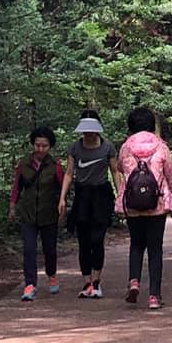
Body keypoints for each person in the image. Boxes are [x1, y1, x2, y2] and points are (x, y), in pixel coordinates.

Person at [115, 105, 172, 311]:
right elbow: (171, 175)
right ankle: (154, 296)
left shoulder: (126, 147)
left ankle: (134, 281)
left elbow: (119, 169)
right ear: (152, 125)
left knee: (136, 245)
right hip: (157, 204)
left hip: (133, 205)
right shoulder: (161, 146)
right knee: (155, 249)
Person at [57, 113, 116, 298]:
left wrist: (121, 195)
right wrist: (62, 198)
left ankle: (97, 281)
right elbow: (69, 172)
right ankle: (87, 282)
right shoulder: (75, 148)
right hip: (82, 196)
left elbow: (115, 171)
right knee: (83, 241)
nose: (89, 135)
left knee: (97, 240)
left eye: (92, 131)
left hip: (101, 195)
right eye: (85, 131)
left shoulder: (107, 147)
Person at [8, 126, 65, 300]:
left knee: (50, 249)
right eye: (37, 145)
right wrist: (12, 207)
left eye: (44, 146)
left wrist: (63, 208)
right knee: (29, 249)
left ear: (50, 147)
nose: (40, 149)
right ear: (33, 144)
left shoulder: (55, 166)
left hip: (49, 214)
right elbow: (17, 187)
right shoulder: (23, 164)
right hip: (28, 214)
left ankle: (52, 274)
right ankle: (30, 284)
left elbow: (63, 188)